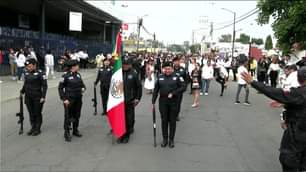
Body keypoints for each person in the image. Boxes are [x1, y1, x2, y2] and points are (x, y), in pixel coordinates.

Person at [241, 67, 306, 172]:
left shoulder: (299, 93)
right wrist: (288, 105)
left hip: (296, 136)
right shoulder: (299, 96)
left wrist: (253, 82)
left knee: (289, 161)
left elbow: (275, 92)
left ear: (299, 79)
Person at [152, 62, 186, 148]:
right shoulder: (160, 77)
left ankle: (171, 140)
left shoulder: (177, 77)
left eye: (169, 69)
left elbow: (183, 87)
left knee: (172, 121)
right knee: (164, 121)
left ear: (172, 69)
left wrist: (174, 93)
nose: (167, 70)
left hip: (174, 102)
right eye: (166, 69)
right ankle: (165, 139)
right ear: (163, 69)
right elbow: (156, 90)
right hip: (163, 102)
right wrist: (153, 101)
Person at [58, 60, 86, 142]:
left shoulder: (78, 74)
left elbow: (82, 85)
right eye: (77, 65)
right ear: (73, 66)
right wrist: (64, 99)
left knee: (77, 115)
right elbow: (60, 88)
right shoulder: (64, 76)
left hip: (78, 99)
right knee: (68, 116)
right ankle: (66, 133)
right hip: (69, 100)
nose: (78, 66)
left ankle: (75, 130)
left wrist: (83, 88)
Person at [117, 57, 142, 144]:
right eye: (124, 64)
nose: (125, 66)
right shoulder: (118, 73)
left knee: (128, 119)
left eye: (127, 64)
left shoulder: (134, 73)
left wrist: (137, 98)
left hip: (130, 100)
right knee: (120, 118)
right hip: (119, 100)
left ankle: (127, 135)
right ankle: (121, 134)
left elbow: (139, 87)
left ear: (130, 65)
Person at [20, 59, 48, 136]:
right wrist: (22, 91)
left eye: (30, 66)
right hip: (28, 97)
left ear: (35, 65)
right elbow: (25, 84)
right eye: (27, 67)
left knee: (37, 113)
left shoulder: (41, 73)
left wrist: (43, 96)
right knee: (31, 113)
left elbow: (45, 86)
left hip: (37, 97)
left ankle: (37, 128)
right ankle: (33, 127)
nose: (28, 68)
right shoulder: (26, 73)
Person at [173, 56, 187, 121]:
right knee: (171, 103)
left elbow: (186, 79)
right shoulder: (170, 69)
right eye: (175, 61)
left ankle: (176, 115)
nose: (176, 62)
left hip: (179, 90)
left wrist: (184, 87)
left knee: (178, 103)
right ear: (173, 62)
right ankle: (171, 115)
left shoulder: (182, 69)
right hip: (171, 89)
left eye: (178, 61)